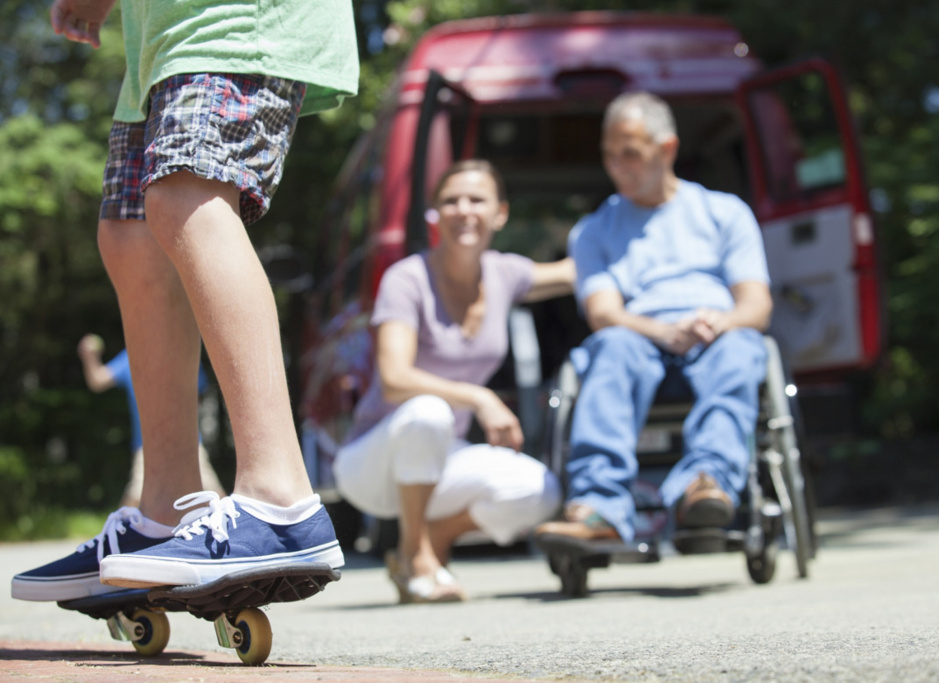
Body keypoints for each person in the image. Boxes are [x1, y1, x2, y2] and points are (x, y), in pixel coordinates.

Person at [11, 0, 358, 602]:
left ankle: (282, 503)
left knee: (185, 194)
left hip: (230, 17)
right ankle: (164, 516)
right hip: (158, 36)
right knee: (131, 236)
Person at [322, 160, 572, 603]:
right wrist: (479, 398)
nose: (463, 209)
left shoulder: (505, 273)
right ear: (435, 214)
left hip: (438, 459)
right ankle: (417, 560)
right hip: (373, 461)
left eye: (477, 199)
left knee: (539, 490)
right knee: (428, 411)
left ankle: (426, 539)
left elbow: (576, 271)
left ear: (500, 213)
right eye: (450, 200)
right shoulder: (407, 278)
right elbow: (395, 379)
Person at [535, 92, 773, 545]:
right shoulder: (592, 231)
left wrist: (718, 322)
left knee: (744, 344)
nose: (617, 166)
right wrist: (663, 331)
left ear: (667, 149)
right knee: (609, 346)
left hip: (713, 336)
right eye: (609, 155)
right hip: (638, 339)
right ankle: (599, 505)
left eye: (631, 154)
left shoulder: (725, 213)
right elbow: (604, 313)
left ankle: (705, 482)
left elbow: (756, 305)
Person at [77, 333, 225, 508]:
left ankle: (236, 529)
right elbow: (97, 380)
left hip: (187, 440)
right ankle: (122, 532)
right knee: (136, 495)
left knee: (212, 491)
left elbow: (198, 395)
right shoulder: (130, 356)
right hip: (147, 444)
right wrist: (90, 357)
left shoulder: (183, 352)